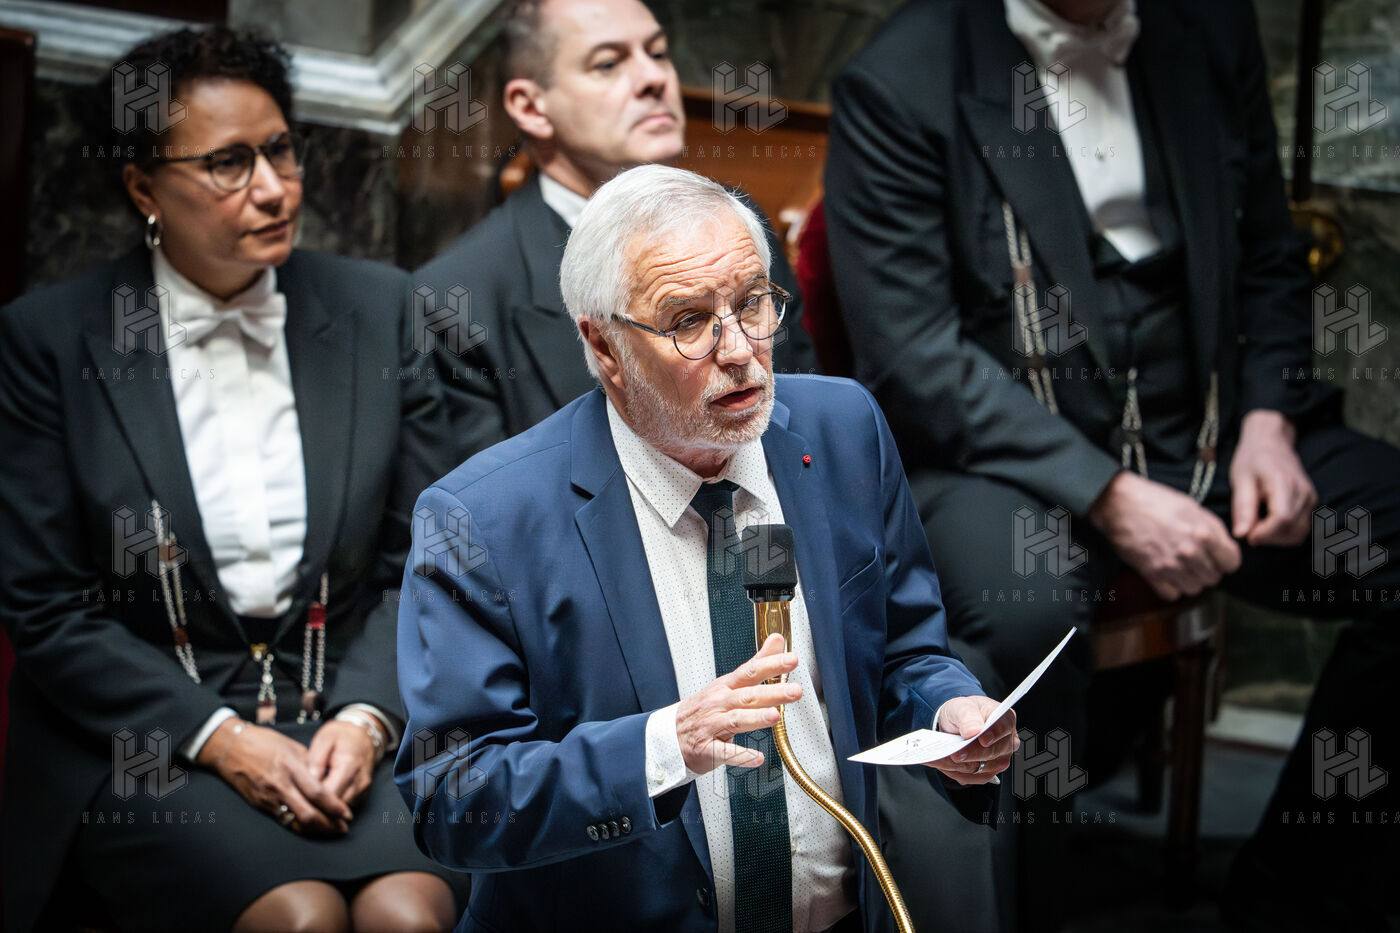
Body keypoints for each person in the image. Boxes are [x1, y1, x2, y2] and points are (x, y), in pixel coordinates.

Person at [824, 0, 1400, 929]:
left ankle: (1293, 896)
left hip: (1211, 420)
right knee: (1022, 611)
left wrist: (1269, 420)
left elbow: (1269, 252)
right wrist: (1108, 493)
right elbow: (915, 355)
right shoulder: (899, 77)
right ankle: (1032, 906)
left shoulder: (1209, 26)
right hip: (1010, 451)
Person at [395, 164, 1017, 932]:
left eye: (752, 301)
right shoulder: (484, 520)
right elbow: (452, 798)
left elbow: (903, 650)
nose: (741, 350)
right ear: (604, 345)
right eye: (689, 320)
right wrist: (665, 745)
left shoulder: (843, 430)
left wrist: (946, 705)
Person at [0, 27, 463, 933]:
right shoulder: (48, 340)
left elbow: (428, 557)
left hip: (352, 714)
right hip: (151, 737)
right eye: (227, 163)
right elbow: (48, 607)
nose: (274, 187)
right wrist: (220, 737)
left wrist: (368, 715)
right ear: (144, 188)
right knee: (300, 918)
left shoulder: (380, 310)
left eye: (281, 149)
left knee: (408, 913)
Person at [414, 0, 817, 466]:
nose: (654, 78)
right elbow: (489, 500)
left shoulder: (735, 225)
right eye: (608, 63)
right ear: (531, 106)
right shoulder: (456, 298)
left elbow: (803, 427)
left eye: (658, 52)